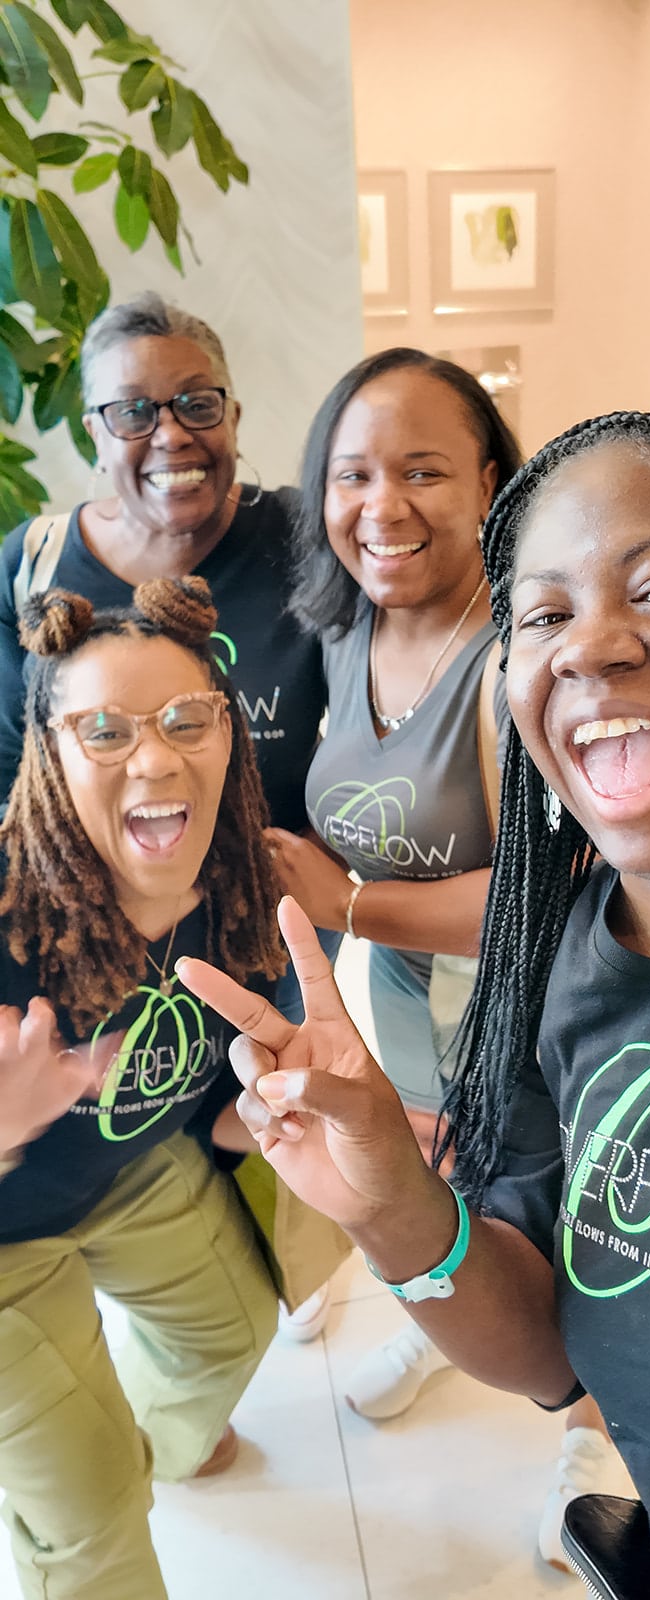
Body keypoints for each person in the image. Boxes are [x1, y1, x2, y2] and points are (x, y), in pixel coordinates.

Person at [181, 412, 650, 1599]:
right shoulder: (558, 950)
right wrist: (390, 1200)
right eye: (544, 615)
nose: (591, 645)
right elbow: (546, 1351)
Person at [269, 346, 628, 1561]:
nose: (384, 505)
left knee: (564, 1202)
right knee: (451, 1167)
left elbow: (554, 887)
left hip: (526, 993)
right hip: (411, 987)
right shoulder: (343, 626)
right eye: (354, 473)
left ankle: (590, 1424)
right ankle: (454, 1322)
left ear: (489, 483)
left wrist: (351, 904)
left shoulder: (518, 651)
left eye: (422, 470)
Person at [0, 577, 287, 1600]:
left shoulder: (246, 889)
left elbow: (237, 1089)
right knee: (91, 1518)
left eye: (184, 720)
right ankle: (91, 1479)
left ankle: (143, 1442)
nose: (156, 758)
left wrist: (287, 1113)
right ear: (52, 755)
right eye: (106, 730)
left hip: (133, 1168)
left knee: (237, 1326)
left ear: (228, 734)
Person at [0, 290, 332, 1022]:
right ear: (94, 433)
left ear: (233, 416)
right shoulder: (32, 564)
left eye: (197, 404)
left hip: (269, 931)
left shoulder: (304, 539)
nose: (171, 434)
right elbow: (9, 775)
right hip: (94, 953)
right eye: (133, 412)